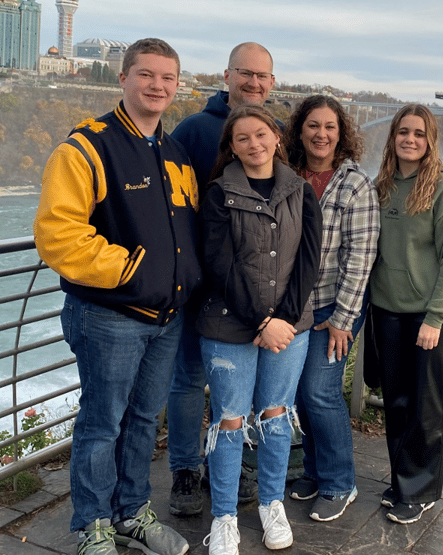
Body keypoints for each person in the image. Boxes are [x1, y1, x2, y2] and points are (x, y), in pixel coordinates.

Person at [33, 38, 201, 555]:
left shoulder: (175, 153)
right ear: (123, 78)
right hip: (108, 314)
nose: (157, 86)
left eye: (167, 78)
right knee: (102, 421)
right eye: (146, 75)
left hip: (167, 316)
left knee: (145, 419)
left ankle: (131, 512)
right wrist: (133, 269)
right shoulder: (86, 146)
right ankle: (92, 524)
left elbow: (186, 231)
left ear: (177, 86)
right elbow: (57, 233)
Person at [197, 104, 322, 554]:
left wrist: (284, 320)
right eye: (243, 138)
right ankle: (225, 516)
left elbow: (309, 262)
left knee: (275, 414)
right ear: (231, 147)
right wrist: (261, 323)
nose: (254, 144)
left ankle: (272, 503)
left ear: (277, 138)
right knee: (231, 420)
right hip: (230, 327)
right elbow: (219, 266)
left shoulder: (301, 192)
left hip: (288, 328)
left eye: (261, 135)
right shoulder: (216, 195)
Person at [167, 42, 277, 515]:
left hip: (251, 290)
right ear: (227, 75)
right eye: (245, 73)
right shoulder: (193, 129)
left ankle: (231, 465)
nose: (253, 83)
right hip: (195, 284)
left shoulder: (276, 132)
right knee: (189, 378)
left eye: (262, 76)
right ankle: (186, 472)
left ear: (272, 83)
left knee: (244, 386)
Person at [369, 104, 443, 525]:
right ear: (393, 137)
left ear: (430, 141)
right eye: (403, 132)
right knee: (395, 402)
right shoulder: (382, 185)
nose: (410, 140)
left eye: (419, 133)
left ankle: (423, 490)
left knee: (426, 407)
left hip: (429, 318)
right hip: (387, 311)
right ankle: (402, 479)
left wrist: (435, 317)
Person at [283, 95, 380, 521]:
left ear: (341, 134)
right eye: (313, 126)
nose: (321, 134)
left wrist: (342, 320)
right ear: (300, 131)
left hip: (334, 307)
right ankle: (316, 471)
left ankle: (341, 483)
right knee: (301, 394)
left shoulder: (354, 184)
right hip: (294, 309)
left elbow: (361, 258)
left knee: (320, 393)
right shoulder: (286, 174)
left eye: (330, 127)